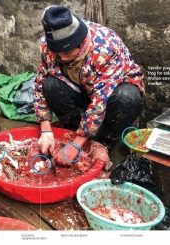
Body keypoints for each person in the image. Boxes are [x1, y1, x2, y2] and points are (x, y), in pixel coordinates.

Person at [34, 6, 144, 167]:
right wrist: (45, 130)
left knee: (127, 98)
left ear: (81, 43)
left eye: (68, 53)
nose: (62, 58)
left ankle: (105, 142)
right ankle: (73, 131)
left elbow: (100, 101)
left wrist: (76, 145)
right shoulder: (48, 47)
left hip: (112, 94)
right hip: (82, 89)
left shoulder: (105, 47)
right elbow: (39, 82)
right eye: (58, 54)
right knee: (49, 84)